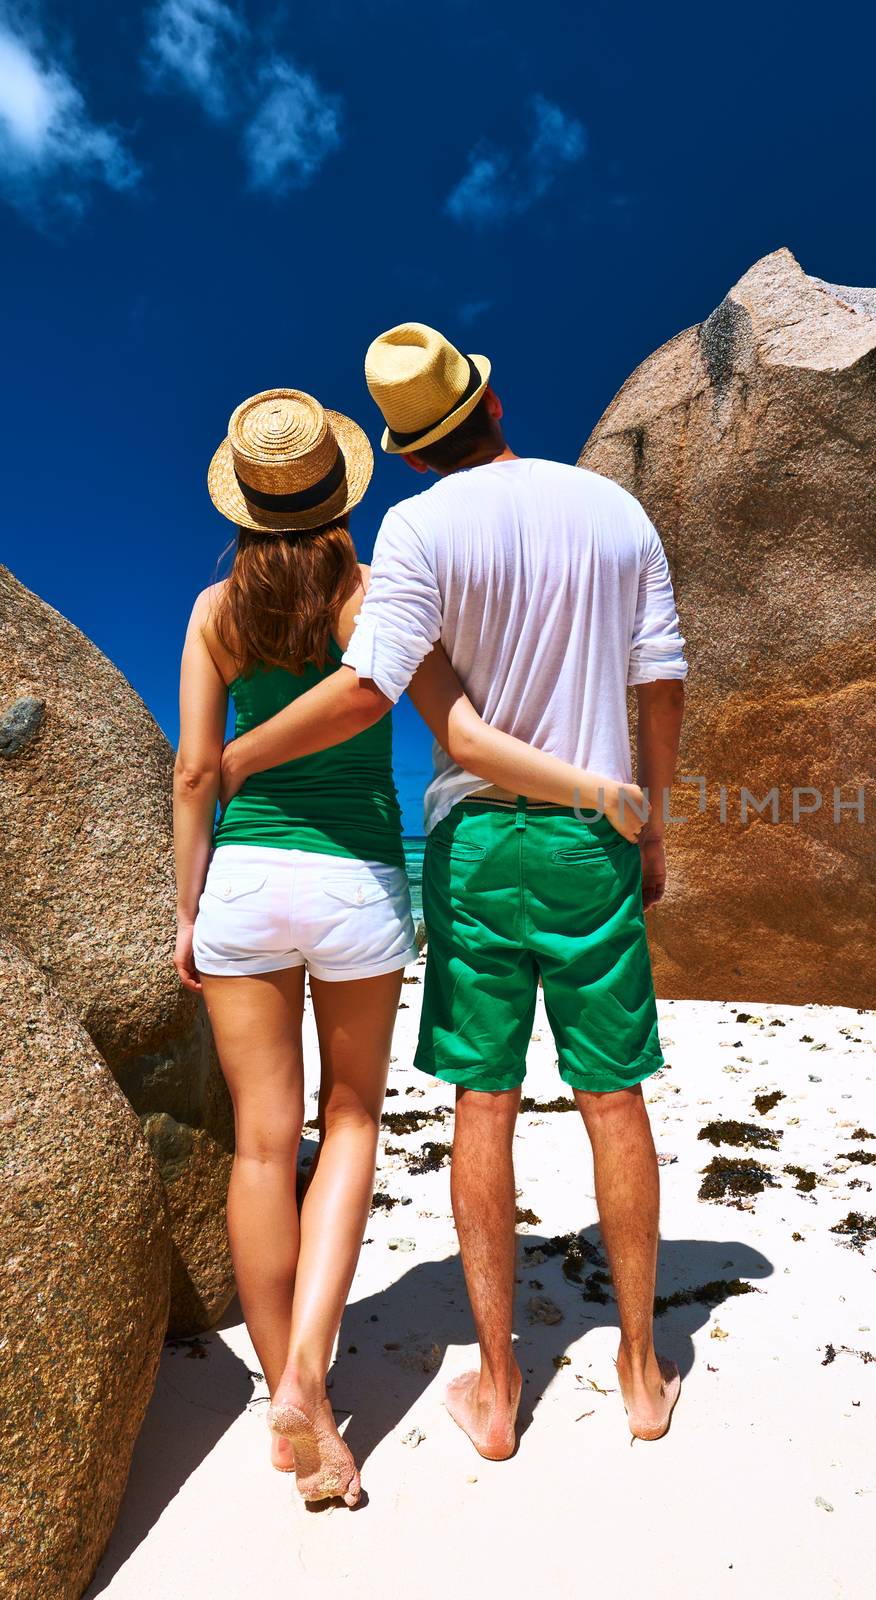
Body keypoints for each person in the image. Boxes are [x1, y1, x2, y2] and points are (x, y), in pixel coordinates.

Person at [220, 324, 689, 1455]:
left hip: (473, 845)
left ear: (413, 452)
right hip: (592, 839)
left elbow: (368, 689)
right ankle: (636, 1371)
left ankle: (497, 1391)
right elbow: (661, 676)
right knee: (614, 1097)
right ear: (492, 399)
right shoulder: (614, 510)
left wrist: (235, 760)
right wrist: (655, 821)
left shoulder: (419, 525)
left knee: (483, 1104)